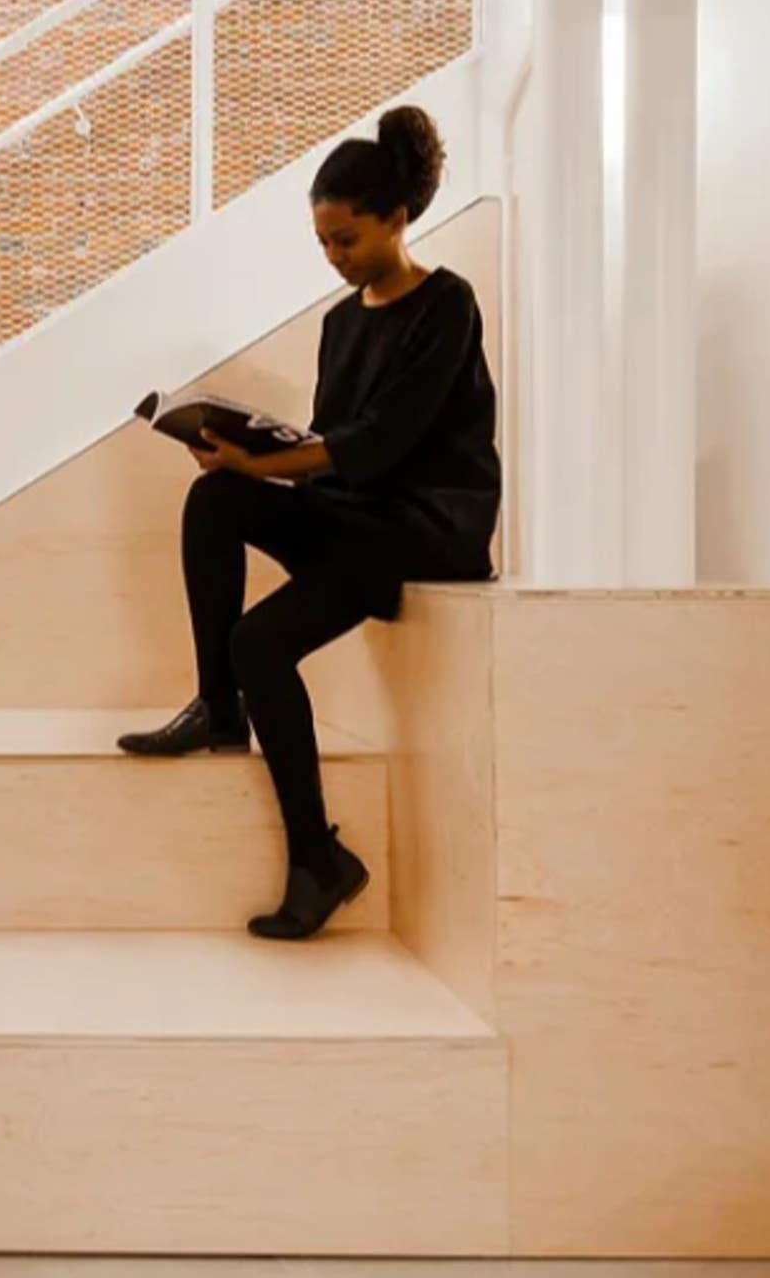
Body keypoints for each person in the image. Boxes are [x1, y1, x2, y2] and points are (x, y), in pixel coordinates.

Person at [117, 104, 500, 941]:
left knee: (260, 639)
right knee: (214, 497)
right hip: (356, 515)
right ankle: (220, 710)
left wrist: (275, 465)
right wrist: (243, 454)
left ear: (398, 218)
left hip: (423, 528)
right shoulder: (340, 321)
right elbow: (330, 447)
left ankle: (318, 861)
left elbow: (377, 442)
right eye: (324, 242)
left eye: (349, 239)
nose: (335, 257)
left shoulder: (448, 306)